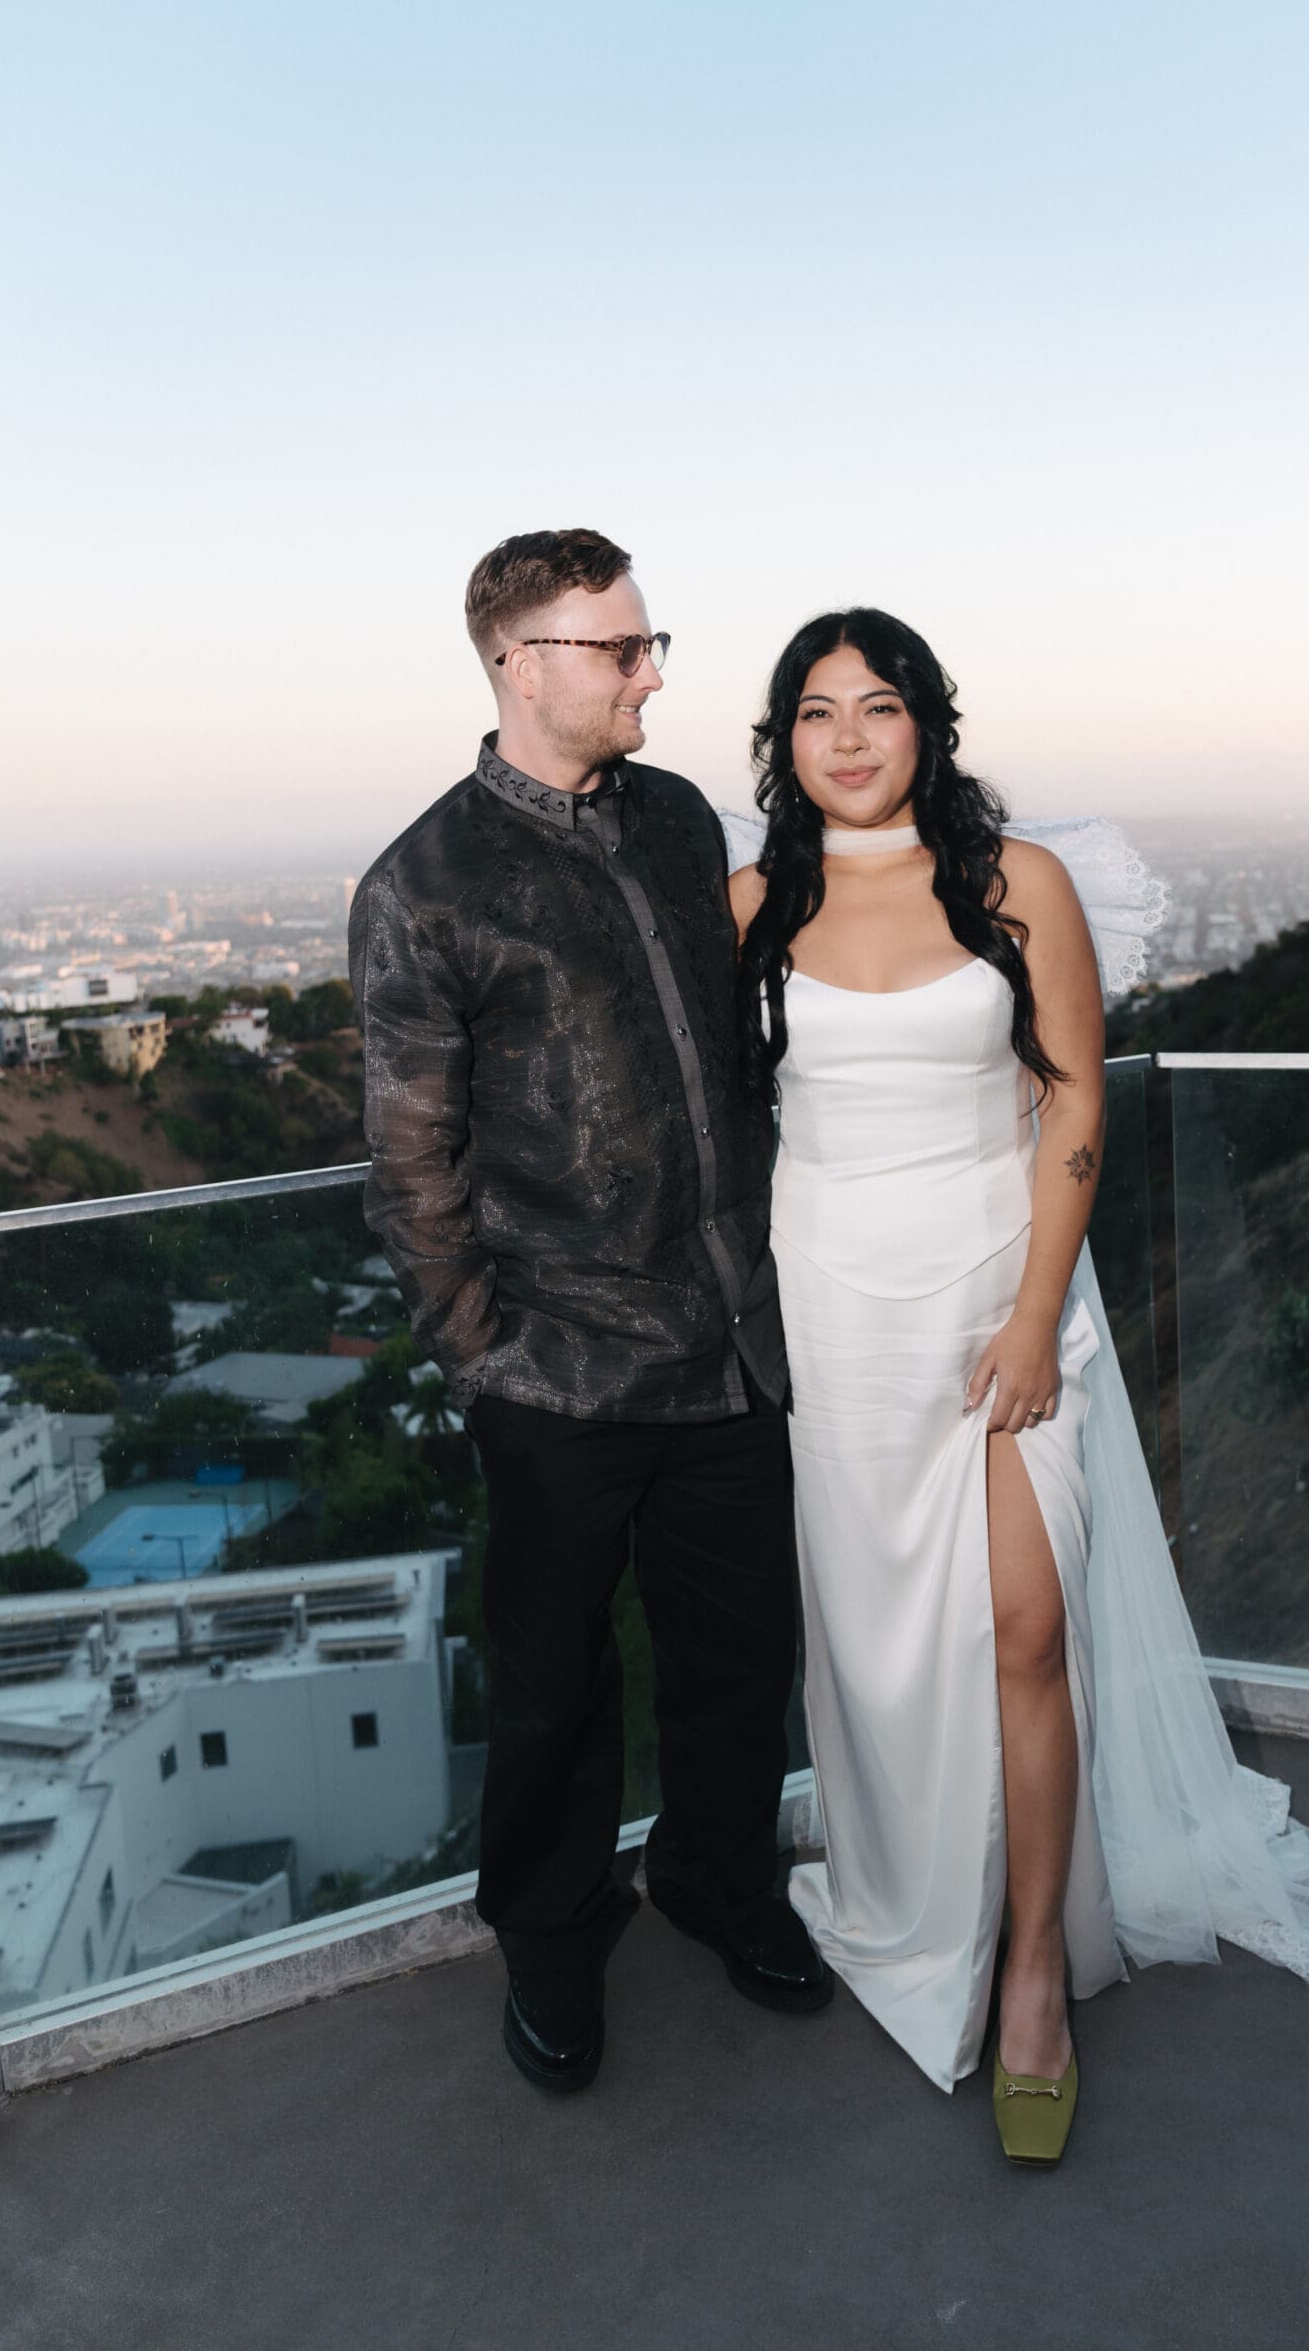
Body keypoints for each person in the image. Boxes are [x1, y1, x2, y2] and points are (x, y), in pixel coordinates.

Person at [728, 608, 1309, 2167]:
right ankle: (920, 1894)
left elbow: (1069, 1105)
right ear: (782, 744)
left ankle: (1037, 1971)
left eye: (879, 706)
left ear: (928, 724)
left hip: (1003, 1296)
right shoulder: (748, 906)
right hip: (836, 1317)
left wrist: (1037, 1307)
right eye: (817, 712)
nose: (848, 738)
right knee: (882, 1645)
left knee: (1027, 1624)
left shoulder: (1017, 883)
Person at [350, 528, 830, 2097]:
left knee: (741, 1659)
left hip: (731, 1345)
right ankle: (553, 1938)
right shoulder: (424, 883)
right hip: (554, 1375)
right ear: (521, 662)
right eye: (622, 649)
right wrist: (482, 1355)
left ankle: (718, 1883)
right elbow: (411, 1160)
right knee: (554, 1688)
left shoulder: (681, 817)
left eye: (647, 643)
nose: (651, 676)